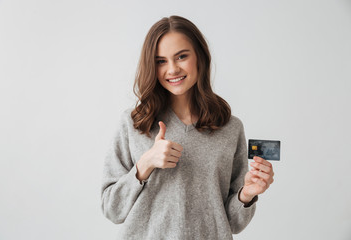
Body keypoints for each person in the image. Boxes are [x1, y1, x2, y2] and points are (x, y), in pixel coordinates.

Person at [101, 15, 274, 240]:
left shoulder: (230, 128)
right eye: (161, 61)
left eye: (181, 56)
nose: (172, 69)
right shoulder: (134, 123)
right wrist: (145, 164)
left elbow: (232, 224)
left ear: (200, 57)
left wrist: (247, 195)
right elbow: (112, 210)